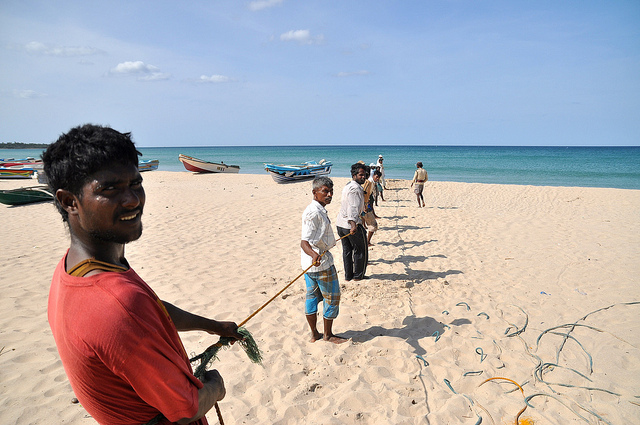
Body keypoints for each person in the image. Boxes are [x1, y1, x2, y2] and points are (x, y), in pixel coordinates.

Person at [43, 124, 243, 425]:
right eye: (109, 189)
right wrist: (214, 388)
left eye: (135, 184)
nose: (132, 199)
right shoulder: (116, 303)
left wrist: (212, 326)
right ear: (70, 201)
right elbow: (186, 408)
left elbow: (151, 310)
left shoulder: (76, 269)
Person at [300, 177, 348, 344]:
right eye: (325, 191)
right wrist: (314, 255)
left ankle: (314, 334)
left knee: (312, 297)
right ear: (315, 193)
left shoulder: (318, 209)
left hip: (310, 265)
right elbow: (304, 242)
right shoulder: (314, 212)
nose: (329, 195)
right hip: (320, 264)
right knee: (332, 298)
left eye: (331, 192)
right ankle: (327, 335)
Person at [336, 163, 368, 281]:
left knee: (347, 251)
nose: (363, 177)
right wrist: (353, 224)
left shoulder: (348, 186)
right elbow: (353, 207)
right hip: (350, 224)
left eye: (364, 175)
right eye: (361, 175)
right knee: (360, 251)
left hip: (341, 224)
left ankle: (348, 275)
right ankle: (358, 276)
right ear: (354, 175)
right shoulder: (355, 188)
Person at [363, 170, 381, 246]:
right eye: (376, 177)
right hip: (364, 205)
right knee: (373, 225)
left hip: (365, 204)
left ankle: (366, 241)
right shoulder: (368, 183)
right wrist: (364, 205)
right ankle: (367, 242)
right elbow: (363, 194)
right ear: (373, 175)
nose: (377, 179)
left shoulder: (372, 183)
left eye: (378, 178)